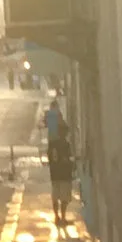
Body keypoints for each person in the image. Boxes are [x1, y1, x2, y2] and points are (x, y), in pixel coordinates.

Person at [43, 94, 74, 226]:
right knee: (64, 197)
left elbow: (44, 124)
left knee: (56, 196)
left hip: (55, 173)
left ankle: (57, 217)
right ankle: (62, 216)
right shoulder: (66, 145)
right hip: (65, 174)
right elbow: (67, 158)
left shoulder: (53, 145)